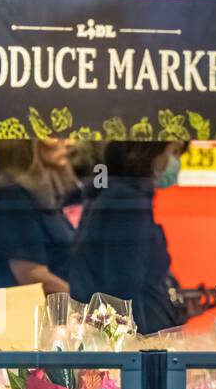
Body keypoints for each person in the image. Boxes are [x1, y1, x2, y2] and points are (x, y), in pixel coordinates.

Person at [69, 141, 184, 334]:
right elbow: (123, 285)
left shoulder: (112, 196)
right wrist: (135, 347)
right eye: (172, 151)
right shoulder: (126, 202)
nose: (172, 160)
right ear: (151, 152)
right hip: (137, 342)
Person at [0, 139, 77, 294]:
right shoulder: (12, 194)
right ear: (27, 142)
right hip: (18, 315)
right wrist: (85, 301)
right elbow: (30, 275)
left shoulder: (39, 194)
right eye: (53, 135)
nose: (69, 142)